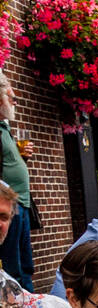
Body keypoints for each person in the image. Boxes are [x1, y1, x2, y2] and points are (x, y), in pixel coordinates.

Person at [0, 70, 35, 290]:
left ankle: (27, 299)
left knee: (25, 262)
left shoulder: (6, 127)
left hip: (21, 202)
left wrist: (21, 157)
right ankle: (16, 304)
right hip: (9, 204)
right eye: (10, 96)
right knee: (14, 263)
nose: (14, 101)